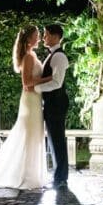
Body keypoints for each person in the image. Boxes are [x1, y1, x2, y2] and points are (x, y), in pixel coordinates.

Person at [0, 25, 51, 190]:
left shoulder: (31, 55)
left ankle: (31, 173)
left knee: (33, 135)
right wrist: (48, 79)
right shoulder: (29, 58)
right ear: (29, 39)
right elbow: (27, 84)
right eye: (37, 35)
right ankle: (25, 175)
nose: (39, 38)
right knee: (29, 135)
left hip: (34, 100)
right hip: (30, 102)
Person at [35, 23, 70, 188]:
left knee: (57, 139)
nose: (43, 38)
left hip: (56, 103)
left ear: (56, 36)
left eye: (46, 34)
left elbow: (57, 82)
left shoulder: (59, 57)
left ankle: (61, 177)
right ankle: (59, 175)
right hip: (52, 103)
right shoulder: (52, 55)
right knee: (54, 139)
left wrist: (35, 88)